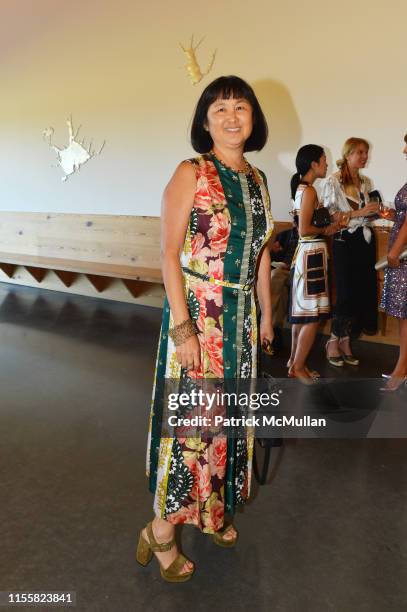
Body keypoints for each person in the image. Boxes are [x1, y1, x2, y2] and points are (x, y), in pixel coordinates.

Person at [137, 76, 274, 582]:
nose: (232, 117)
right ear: (205, 120)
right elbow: (169, 253)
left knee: (228, 425)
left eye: (241, 107)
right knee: (193, 429)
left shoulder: (258, 180)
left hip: (241, 326)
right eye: (220, 109)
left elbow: (260, 254)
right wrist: (184, 331)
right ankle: (161, 531)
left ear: (254, 117)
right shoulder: (190, 172)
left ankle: (213, 513)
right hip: (199, 319)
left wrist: (267, 313)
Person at [322, 138, 380, 366]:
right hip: (344, 240)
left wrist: (377, 212)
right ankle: (333, 340)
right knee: (346, 292)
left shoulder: (366, 181)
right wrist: (359, 213)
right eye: (360, 152)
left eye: (366, 152)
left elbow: (367, 213)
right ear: (348, 154)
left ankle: (346, 340)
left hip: (365, 240)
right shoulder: (333, 181)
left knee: (361, 292)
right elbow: (331, 215)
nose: (364, 156)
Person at [287, 145, 339, 381]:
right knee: (312, 316)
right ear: (313, 164)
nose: (326, 164)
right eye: (323, 160)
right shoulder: (307, 192)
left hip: (309, 254)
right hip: (311, 256)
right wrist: (328, 228)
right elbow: (304, 230)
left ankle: (294, 363)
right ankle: (298, 367)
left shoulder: (304, 189)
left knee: (304, 314)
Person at [380, 134, 407, 392]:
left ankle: (402, 369)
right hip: (402, 249)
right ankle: (402, 366)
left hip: (404, 255)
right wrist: (392, 217)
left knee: (404, 314)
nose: (404, 149)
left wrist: (395, 251)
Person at [269, 225, 298, 351]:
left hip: (298, 272)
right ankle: (275, 329)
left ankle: (266, 318)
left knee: (275, 276)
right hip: (282, 272)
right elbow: (271, 259)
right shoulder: (283, 235)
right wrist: (274, 251)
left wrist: (291, 265)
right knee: (282, 292)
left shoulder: (310, 235)